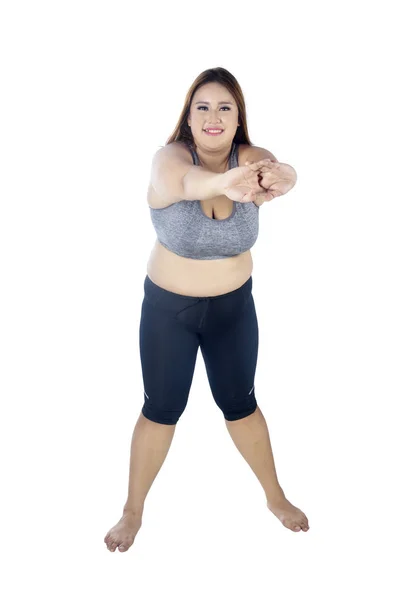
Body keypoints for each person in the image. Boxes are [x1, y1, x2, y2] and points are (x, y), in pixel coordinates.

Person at [104, 67, 309, 553]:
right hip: (168, 314)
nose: (213, 116)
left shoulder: (251, 159)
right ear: (188, 118)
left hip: (233, 312)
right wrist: (226, 184)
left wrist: (286, 175)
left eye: (225, 108)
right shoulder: (168, 160)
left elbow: (279, 170)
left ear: (238, 119)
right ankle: (132, 510)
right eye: (203, 107)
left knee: (242, 406)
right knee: (161, 410)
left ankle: (275, 497)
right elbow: (189, 182)